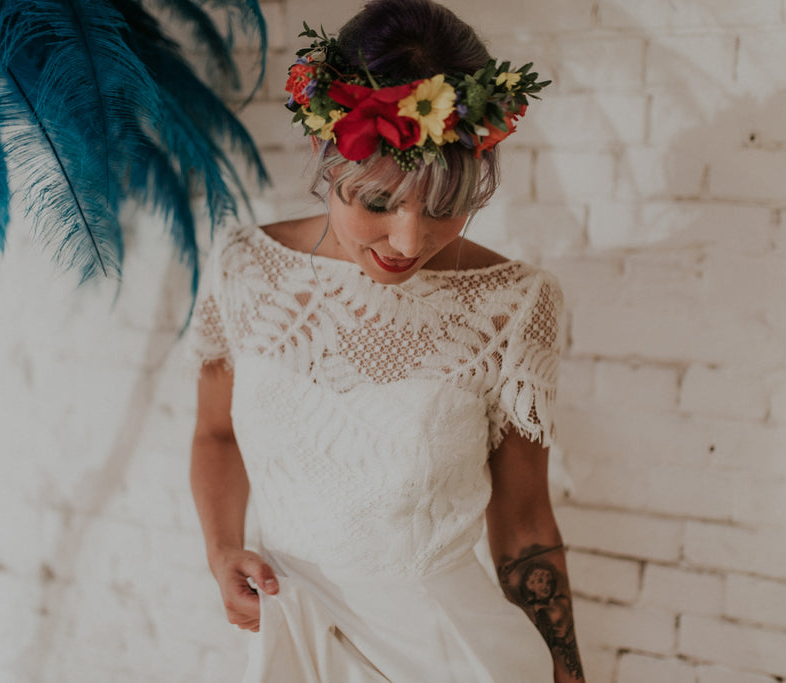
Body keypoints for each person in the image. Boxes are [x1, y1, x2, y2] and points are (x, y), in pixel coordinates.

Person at [189, 1, 584, 680]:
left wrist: (569, 675)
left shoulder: (514, 304)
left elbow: (525, 528)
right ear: (325, 152)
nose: (409, 243)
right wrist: (223, 549)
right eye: (377, 203)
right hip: (294, 644)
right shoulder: (244, 269)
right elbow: (217, 434)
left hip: (455, 656)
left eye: (443, 209)